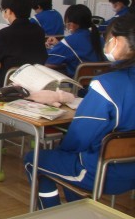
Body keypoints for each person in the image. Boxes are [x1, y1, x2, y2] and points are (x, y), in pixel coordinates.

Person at [24, 14, 135, 209]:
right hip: (128, 169)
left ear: (117, 41)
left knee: (34, 159)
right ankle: (78, 212)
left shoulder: (107, 85)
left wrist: (61, 148)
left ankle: (53, 215)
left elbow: (79, 138)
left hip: (101, 172)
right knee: (65, 161)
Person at [0, 0, 48, 90]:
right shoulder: (39, 31)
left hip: (6, 88)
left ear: (9, 11)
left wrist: (1, 63)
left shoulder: (4, 34)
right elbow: (43, 57)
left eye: (3, 10)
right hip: (32, 87)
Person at [45, 4, 105, 77]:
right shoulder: (99, 38)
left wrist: (50, 48)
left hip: (77, 83)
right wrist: (59, 44)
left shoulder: (69, 42)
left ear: (72, 25)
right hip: (99, 79)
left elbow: (48, 62)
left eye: (67, 23)